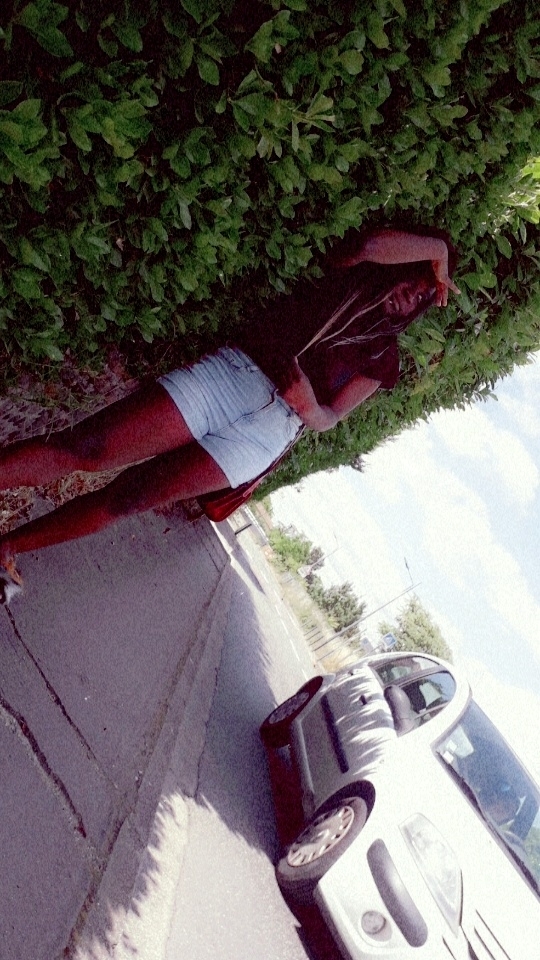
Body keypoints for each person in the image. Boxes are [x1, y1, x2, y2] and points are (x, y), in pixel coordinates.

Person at [0, 226, 459, 597]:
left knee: (129, 499)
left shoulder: (384, 358)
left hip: (264, 436)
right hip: (236, 376)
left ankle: (8, 547)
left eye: (422, 296)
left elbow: (332, 417)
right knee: (88, 448)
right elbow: (368, 245)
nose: (411, 294)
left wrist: (308, 406)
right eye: (413, 279)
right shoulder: (350, 279)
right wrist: (438, 251)